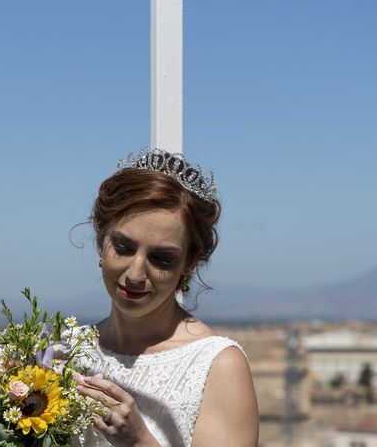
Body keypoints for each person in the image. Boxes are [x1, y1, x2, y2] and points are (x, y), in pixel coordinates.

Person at [75, 147, 259, 447]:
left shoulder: (218, 366)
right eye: (123, 247)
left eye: (161, 259)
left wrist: (139, 441)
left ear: (189, 264)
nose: (135, 273)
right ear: (100, 240)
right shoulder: (66, 349)